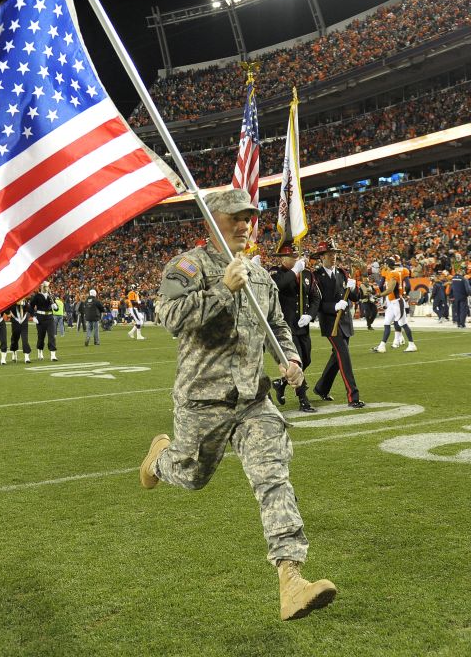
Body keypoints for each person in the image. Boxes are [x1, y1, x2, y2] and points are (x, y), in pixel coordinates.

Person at [139, 188, 335, 621]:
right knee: (191, 476)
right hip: (201, 401)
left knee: (273, 477)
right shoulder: (188, 266)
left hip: (252, 400)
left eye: (248, 217)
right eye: (234, 218)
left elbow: (277, 327)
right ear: (212, 221)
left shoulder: (261, 276)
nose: (244, 225)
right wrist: (223, 291)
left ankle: (291, 580)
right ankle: (158, 460)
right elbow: (169, 319)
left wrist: (292, 360)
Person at [312, 239, 365, 408]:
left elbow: (355, 298)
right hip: (330, 323)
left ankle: (321, 388)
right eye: (329, 254)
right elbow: (316, 302)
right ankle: (353, 396)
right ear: (321, 257)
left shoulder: (342, 273)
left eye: (334, 254)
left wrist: (355, 286)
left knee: (336, 358)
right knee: (344, 358)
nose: (333, 257)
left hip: (345, 322)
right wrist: (334, 306)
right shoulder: (316, 276)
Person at [269, 243, 322, 413]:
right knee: (295, 361)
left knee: (306, 360)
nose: (295, 258)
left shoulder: (307, 274)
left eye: (296, 255)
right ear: (282, 258)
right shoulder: (276, 272)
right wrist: (294, 272)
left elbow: (315, 297)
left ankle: (281, 383)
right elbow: (278, 286)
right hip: (285, 326)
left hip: (302, 325)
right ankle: (303, 400)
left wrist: (310, 315)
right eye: (291, 256)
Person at [371, 255, 417, 353]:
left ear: (387, 265)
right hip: (391, 302)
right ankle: (382, 346)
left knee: (403, 323)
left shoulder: (393, 274)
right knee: (387, 323)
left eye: (384, 265)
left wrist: (379, 295)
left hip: (397, 302)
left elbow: (390, 289)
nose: (383, 266)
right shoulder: (390, 273)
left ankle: (412, 344)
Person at [30, 281, 58, 362]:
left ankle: (53, 355)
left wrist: (54, 305)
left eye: (47, 287)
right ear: (42, 287)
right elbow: (31, 307)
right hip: (40, 317)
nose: (47, 288)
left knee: (51, 335)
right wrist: (33, 316)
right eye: (45, 287)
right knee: (41, 336)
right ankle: (40, 351)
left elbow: (56, 308)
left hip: (49, 317)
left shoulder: (51, 296)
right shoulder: (37, 296)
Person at [9, 298, 32, 363]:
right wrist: (16, 303)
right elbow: (10, 309)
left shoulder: (25, 301)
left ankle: (26, 357)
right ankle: (14, 351)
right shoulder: (13, 302)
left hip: (24, 323)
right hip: (15, 322)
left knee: (25, 339)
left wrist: (24, 304)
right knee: (15, 339)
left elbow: (29, 309)